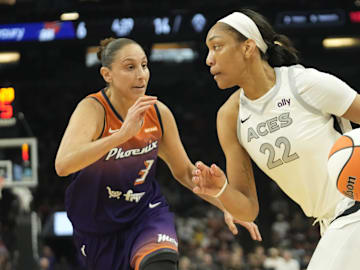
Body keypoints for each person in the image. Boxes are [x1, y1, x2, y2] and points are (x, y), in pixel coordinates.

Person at [55, 37, 261, 270]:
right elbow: (63, 165)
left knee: (160, 264)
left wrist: (227, 204)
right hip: (96, 227)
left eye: (144, 65)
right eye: (130, 67)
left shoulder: (158, 113)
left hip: (145, 214)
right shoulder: (93, 109)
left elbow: (184, 171)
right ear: (107, 74)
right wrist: (120, 136)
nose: (141, 74)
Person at [191, 8, 360, 270]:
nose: (209, 59)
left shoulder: (303, 84)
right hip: (332, 222)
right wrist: (221, 191)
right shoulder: (229, 116)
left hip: (353, 207)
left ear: (248, 47)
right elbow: (247, 210)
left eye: (217, 47)